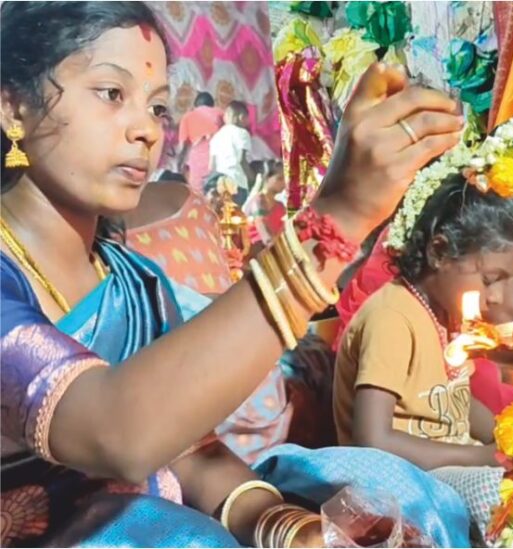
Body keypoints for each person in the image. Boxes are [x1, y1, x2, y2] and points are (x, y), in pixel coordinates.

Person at [0, 2, 469, 546]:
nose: (146, 131)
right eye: (111, 94)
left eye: (157, 109)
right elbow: (119, 434)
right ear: (13, 109)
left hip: (166, 520)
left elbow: (194, 457)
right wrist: (331, 225)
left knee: (391, 495)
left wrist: (290, 529)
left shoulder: (138, 286)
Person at [333, 170, 513, 538]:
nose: (498, 297)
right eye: (490, 279)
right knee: (501, 493)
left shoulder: (446, 313)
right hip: (401, 476)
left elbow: (456, 399)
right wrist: (481, 458)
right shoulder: (392, 316)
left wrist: (511, 438)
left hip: (446, 463)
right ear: (439, 252)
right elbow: (372, 438)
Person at [209, 100, 256, 205]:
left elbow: (211, 166)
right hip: (237, 182)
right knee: (238, 217)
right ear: (241, 117)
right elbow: (241, 160)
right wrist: (252, 179)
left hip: (219, 183)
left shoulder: (216, 137)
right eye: (247, 118)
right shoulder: (242, 133)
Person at [176, 91, 223, 193]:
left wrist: (179, 164)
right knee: (219, 196)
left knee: (198, 196)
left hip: (197, 163)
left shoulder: (188, 117)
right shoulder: (220, 113)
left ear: (195, 105)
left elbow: (182, 146)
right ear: (212, 104)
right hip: (219, 161)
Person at [244, 161, 287, 248]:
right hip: (256, 249)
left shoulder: (280, 207)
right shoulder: (258, 201)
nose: (284, 183)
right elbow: (264, 233)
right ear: (267, 178)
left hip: (274, 248)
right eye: (279, 179)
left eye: (285, 179)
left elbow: (283, 232)